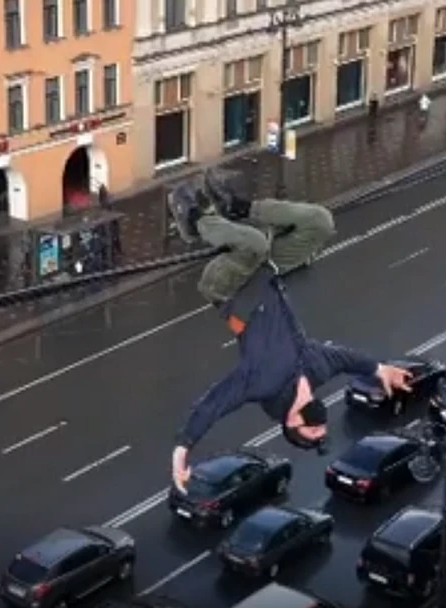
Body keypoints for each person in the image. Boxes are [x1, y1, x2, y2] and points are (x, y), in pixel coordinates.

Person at [167, 169, 413, 492]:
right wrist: (380, 368)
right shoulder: (317, 369)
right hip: (267, 271)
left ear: (292, 422)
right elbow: (347, 360)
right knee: (320, 224)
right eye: (322, 433)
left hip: (229, 287)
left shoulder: (262, 384)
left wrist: (183, 448)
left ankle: (192, 216)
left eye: (312, 434)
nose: (321, 429)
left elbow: (214, 404)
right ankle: (240, 209)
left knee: (253, 243)